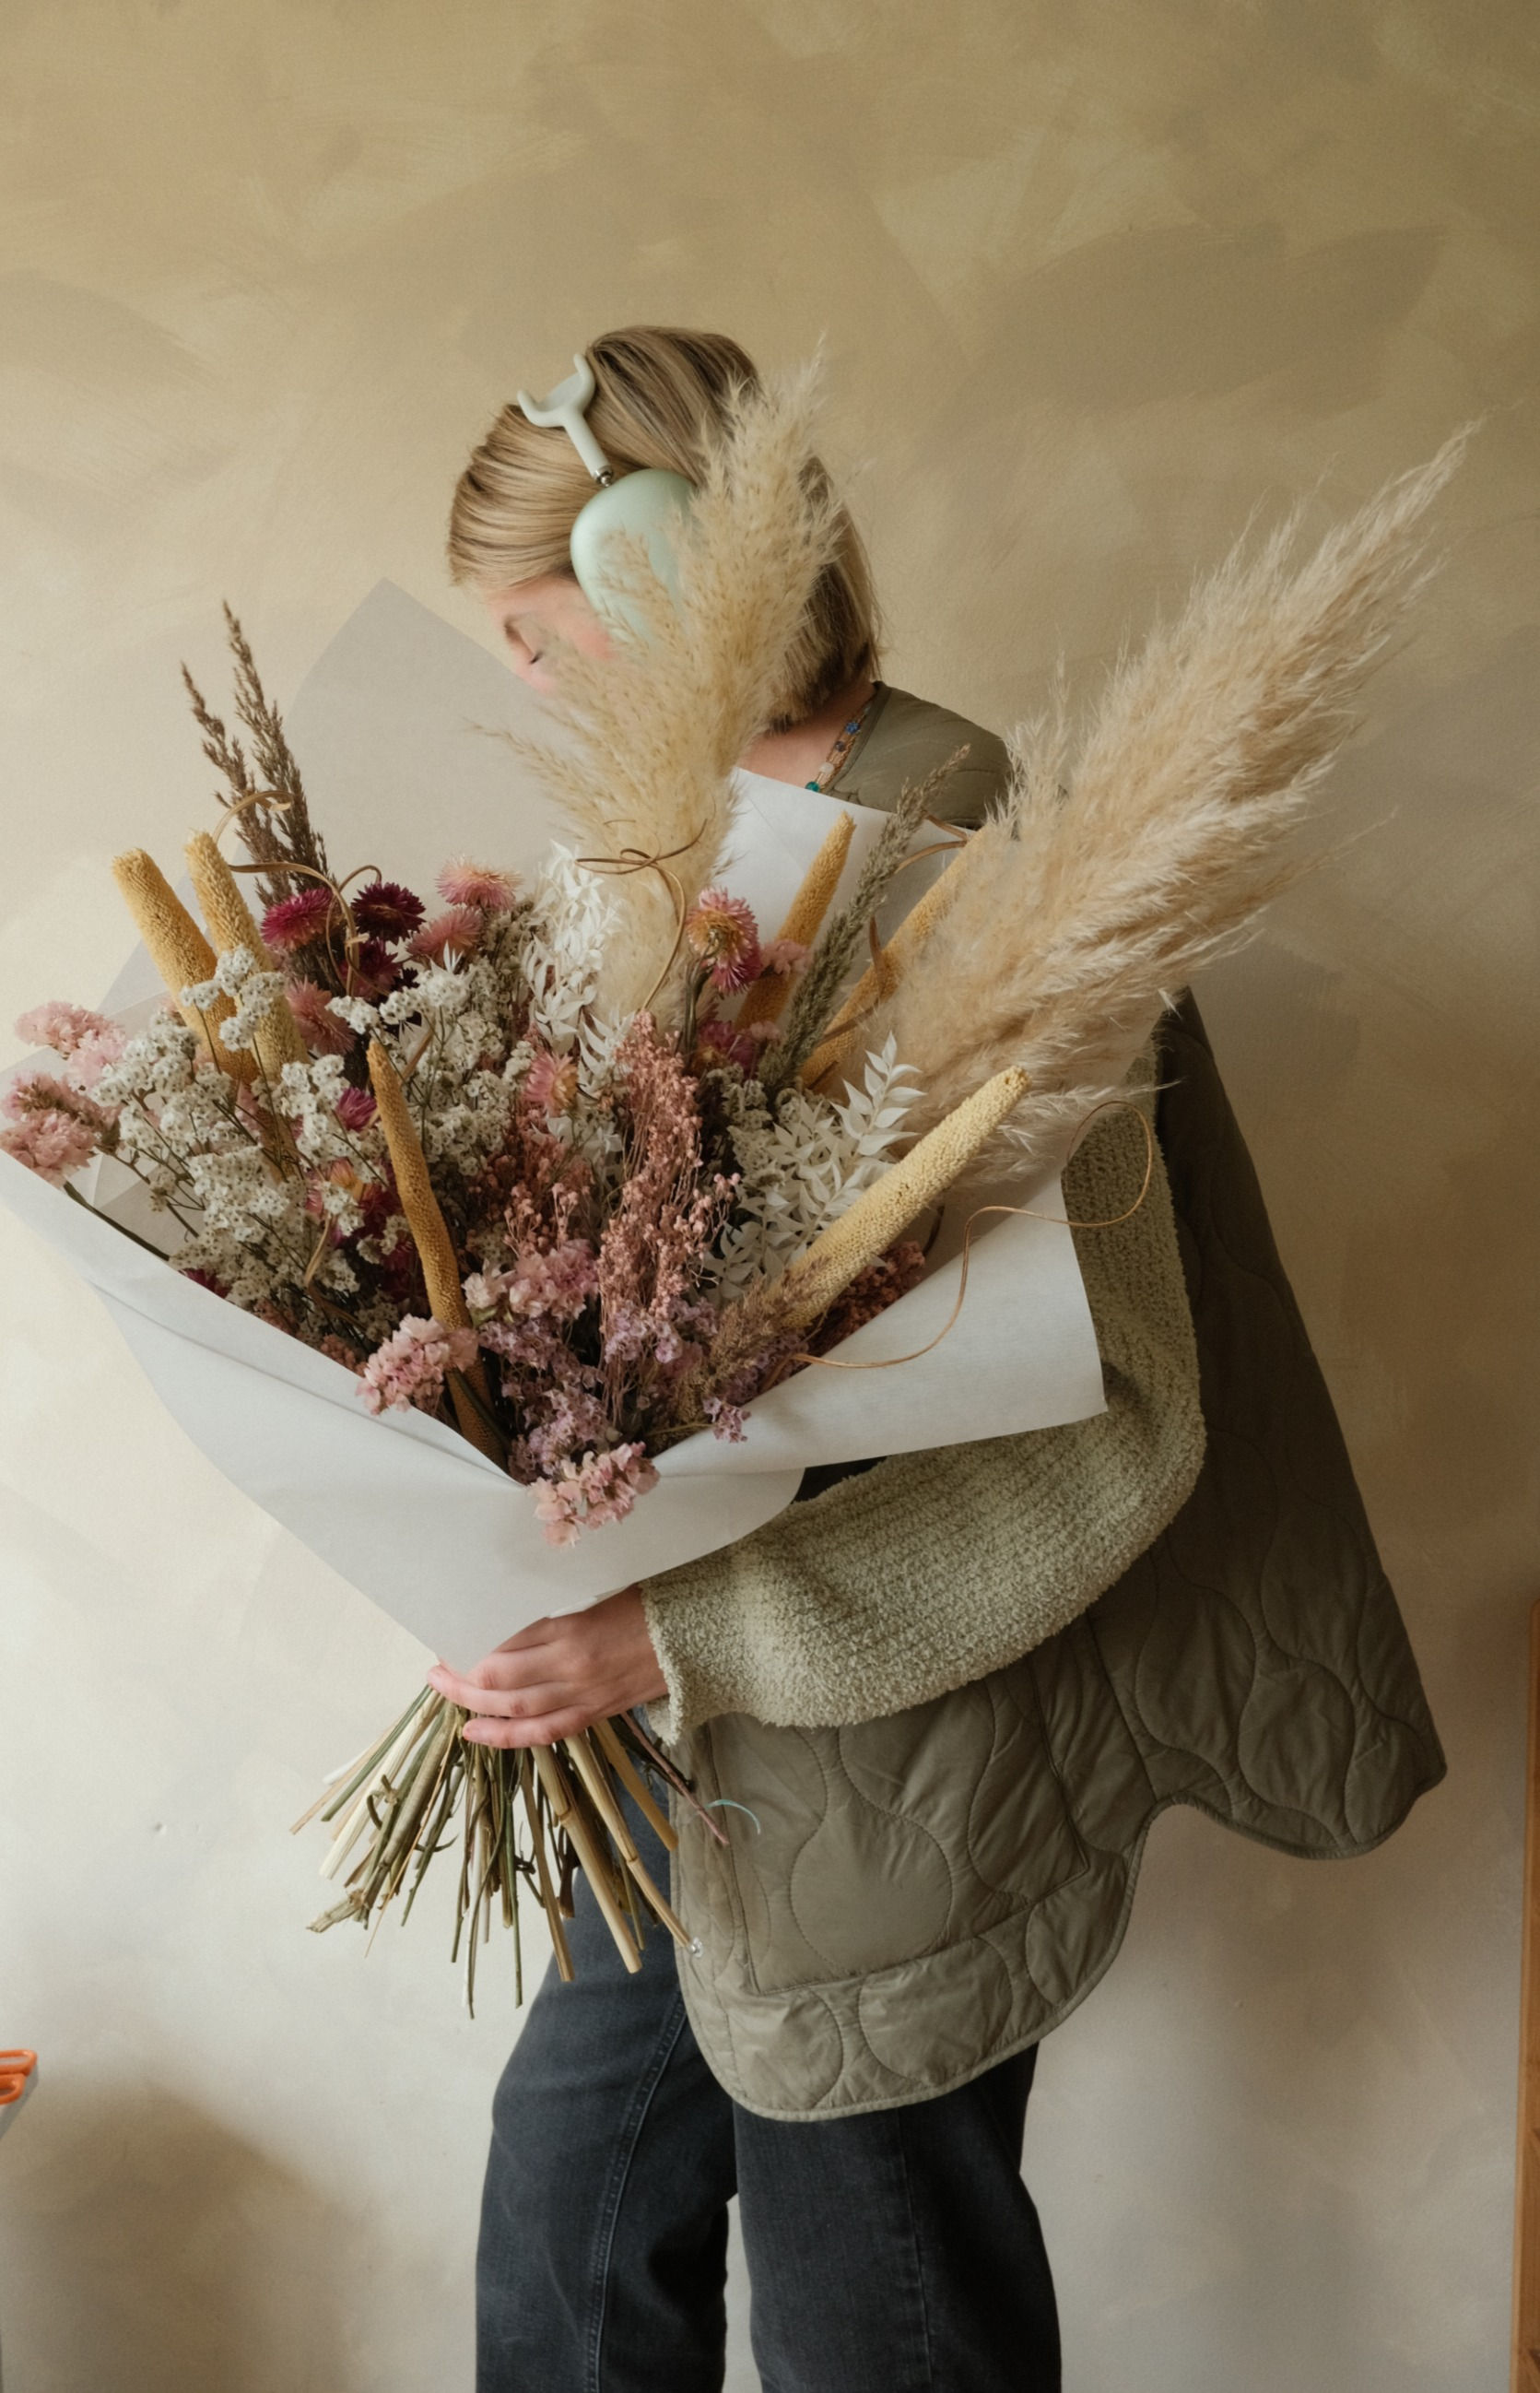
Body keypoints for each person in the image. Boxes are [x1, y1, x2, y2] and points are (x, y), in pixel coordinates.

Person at [431, 328, 1446, 2393]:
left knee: (872, 2302)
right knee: (569, 2215)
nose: (519, 688)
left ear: (656, 577)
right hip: (678, 1744)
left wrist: (667, 1637)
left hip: (885, 1739)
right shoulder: (679, 855)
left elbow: (1109, 1429)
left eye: (541, 634)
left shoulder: (960, 851)